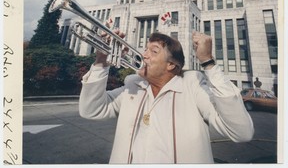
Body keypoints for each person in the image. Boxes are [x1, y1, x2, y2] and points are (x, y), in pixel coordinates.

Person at [79, 31, 254, 164]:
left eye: (153, 51)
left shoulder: (192, 86)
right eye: (145, 49)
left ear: (171, 65)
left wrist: (208, 62)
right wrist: (101, 60)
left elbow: (241, 133)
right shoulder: (133, 86)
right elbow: (92, 110)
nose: (143, 55)